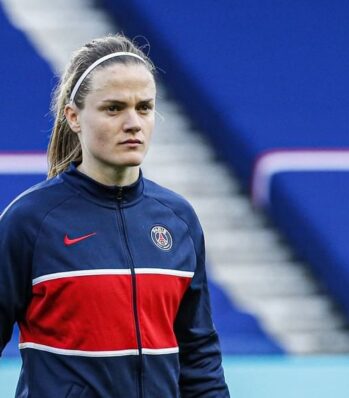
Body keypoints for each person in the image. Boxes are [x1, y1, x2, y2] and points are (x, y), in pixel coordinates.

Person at [0, 35, 230, 397]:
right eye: (113, 108)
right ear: (74, 117)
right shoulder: (29, 220)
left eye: (144, 107)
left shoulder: (178, 219)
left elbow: (198, 359)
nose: (133, 122)